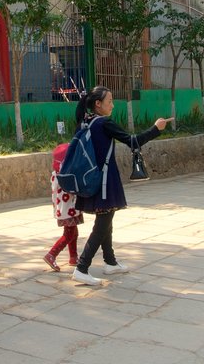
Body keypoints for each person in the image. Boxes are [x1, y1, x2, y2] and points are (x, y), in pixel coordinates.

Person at [71, 86, 171, 286]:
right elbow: (133, 141)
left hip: (92, 179)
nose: (112, 105)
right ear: (98, 104)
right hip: (105, 181)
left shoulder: (86, 122)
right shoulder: (104, 123)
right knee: (102, 224)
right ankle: (82, 268)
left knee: (106, 219)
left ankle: (110, 262)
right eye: (109, 101)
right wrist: (155, 129)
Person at [44, 143, 83, 272]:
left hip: (64, 208)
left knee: (73, 231)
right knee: (69, 233)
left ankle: (73, 257)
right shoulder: (66, 176)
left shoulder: (56, 174)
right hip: (68, 208)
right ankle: (52, 254)